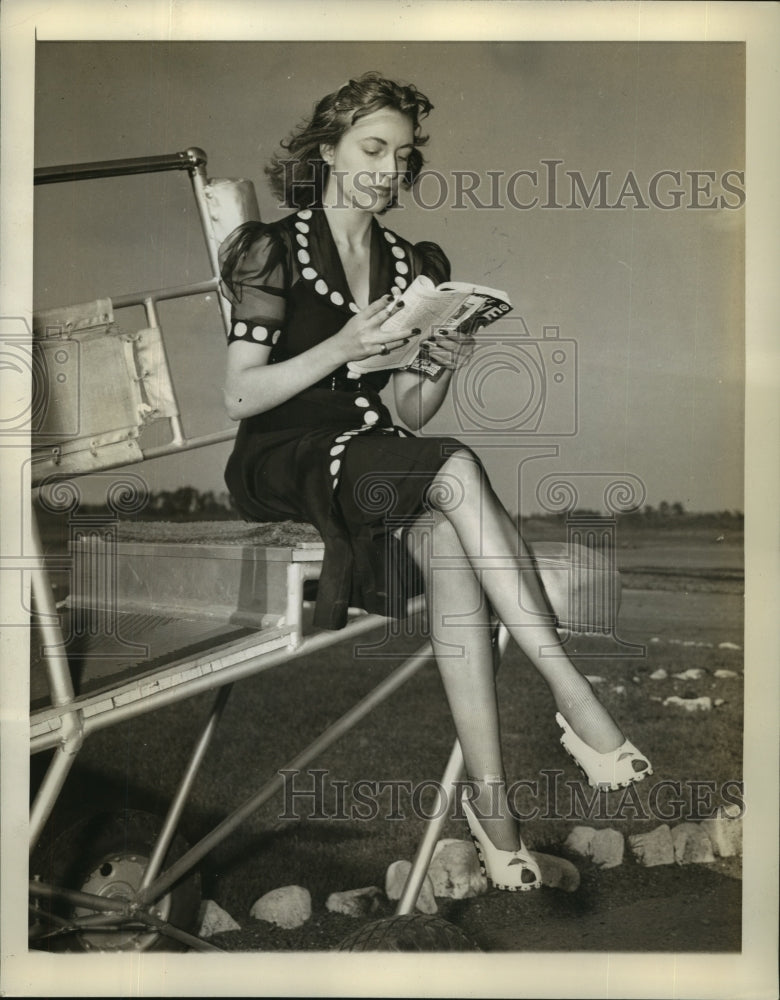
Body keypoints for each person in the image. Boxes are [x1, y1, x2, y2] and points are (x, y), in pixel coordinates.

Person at [219, 72, 652, 892]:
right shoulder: (270, 249)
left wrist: (440, 362)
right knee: (453, 464)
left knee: (452, 549)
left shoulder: (411, 263)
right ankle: (572, 691)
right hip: (284, 454)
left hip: (372, 450)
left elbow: (409, 415)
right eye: (371, 148)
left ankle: (494, 815)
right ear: (327, 150)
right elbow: (239, 392)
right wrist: (343, 344)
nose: (387, 168)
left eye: (402, 155)